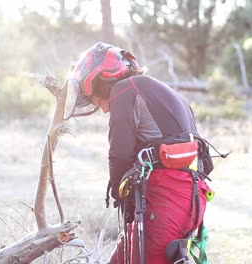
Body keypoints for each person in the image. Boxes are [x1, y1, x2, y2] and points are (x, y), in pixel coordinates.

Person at [64, 42, 216, 264]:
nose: (102, 107)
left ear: (103, 81)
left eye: (95, 98)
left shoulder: (124, 90)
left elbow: (119, 155)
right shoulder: (167, 93)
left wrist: (119, 194)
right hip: (191, 198)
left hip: (167, 197)